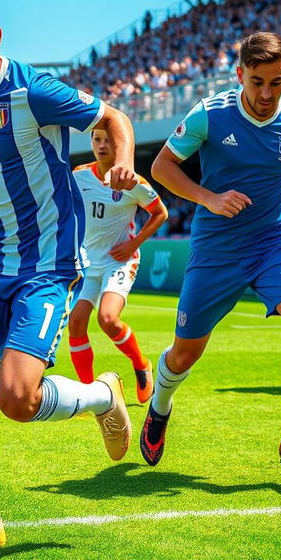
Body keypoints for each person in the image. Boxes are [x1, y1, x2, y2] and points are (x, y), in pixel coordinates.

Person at [0, 0, 135, 549]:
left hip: (45, 264)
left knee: (17, 399)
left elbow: (113, 115)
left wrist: (126, 164)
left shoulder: (34, 90)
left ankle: (102, 396)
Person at [140, 31, 281, 478]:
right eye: (256, 82)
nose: (266, 94)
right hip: (216, 250)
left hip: (273, 241)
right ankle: (160, 406)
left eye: (276, 82)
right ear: (239, 75)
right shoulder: (210, 115)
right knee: (184, 354)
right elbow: (161, 168)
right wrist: (208, 197)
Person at [68, 128, 168, 403]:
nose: (102, 145)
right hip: (88, 262)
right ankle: (88, 393)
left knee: (108, 319)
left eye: (108, 140)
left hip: (119, 259)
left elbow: (161, 213)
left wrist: (133, 244)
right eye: (97, 139)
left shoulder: (133, 183)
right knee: (76, 323)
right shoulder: (79, 175)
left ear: (119, 144)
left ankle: (140, 364)